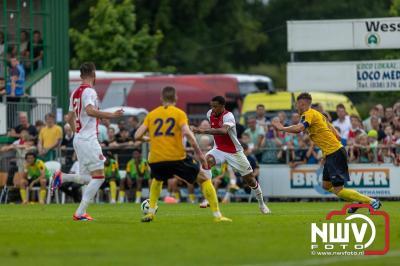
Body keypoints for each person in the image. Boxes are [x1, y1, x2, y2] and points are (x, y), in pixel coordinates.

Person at [272, 92, 381, 213]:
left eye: (297, 105)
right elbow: (338, 136)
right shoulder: (319, 115)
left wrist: (281, 128)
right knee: (326, 186)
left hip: (334, 152)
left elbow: (299, 128)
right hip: (333, 153)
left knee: (339, 189)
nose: (296, 108)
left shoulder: (308, 114)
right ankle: (357, 201)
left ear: (302, 104)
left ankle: (371, 201)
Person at [135, 86, 231, 222]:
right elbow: (188, 135)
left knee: (157, 180)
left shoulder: (152, 114)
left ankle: (150, 212)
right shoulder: (179, 113)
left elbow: (137, 135)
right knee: (203, 179)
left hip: (156, 158)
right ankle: (217, 216)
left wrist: (148, 138)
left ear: (161, 98)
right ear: (176, 98)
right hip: (176, 157)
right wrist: (200, 156)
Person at [51, 62, 124, 221]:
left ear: (80, 74)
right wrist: (111, 115)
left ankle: (62, 177)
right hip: (89, 140)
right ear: (93, 73)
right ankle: (79, 213)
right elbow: (90, 111)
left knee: (86, 178)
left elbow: (68, 117)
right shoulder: (89, 91)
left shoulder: (75, 92)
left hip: (79, 139)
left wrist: (77, 131)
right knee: (99, 178)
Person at [192, 96, 270, 214]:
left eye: (215, 106)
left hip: (234, 152)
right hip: (218, 149)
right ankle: (207, 197)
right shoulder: (210, 114)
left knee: (250, 180)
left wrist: (203, 131)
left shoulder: (229, 116)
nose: (212, 109)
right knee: (206, 161)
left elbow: (223, 131)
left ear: (223, 107)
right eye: (211, 106)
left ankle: (261, 204)